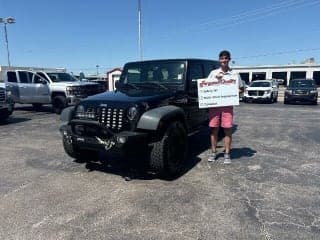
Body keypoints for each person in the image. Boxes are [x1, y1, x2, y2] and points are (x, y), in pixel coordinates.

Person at [207, 50, 244, 164]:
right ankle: (213, 153)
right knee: (214, 130)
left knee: (228, 130)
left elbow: (242, 89)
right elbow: (206, 88)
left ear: (229, 59)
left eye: (226, 58)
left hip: (227, 106)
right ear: (219, 60)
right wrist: (215, 80)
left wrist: (234, 91)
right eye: (222, 58)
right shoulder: (213, 73)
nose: (224, 60)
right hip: (214, 106)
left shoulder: (235, 74)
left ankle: (227, 154)